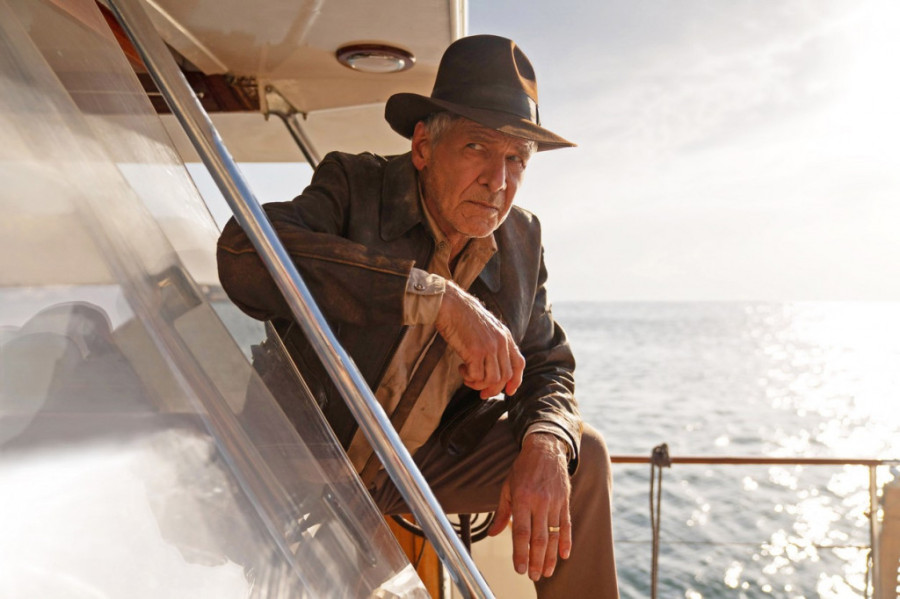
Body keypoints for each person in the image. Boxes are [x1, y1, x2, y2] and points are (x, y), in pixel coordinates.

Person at [217, 34, 619, 598]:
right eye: (478, 147)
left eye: (516, 159)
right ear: (424, 146)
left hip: (415, 465)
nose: (498, 181)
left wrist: (546, 442)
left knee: (580, 454)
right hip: (299, 458)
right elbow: (242, 252)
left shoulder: (522, 239)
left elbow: (547, 364)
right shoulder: (354, 186)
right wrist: (434, 299)